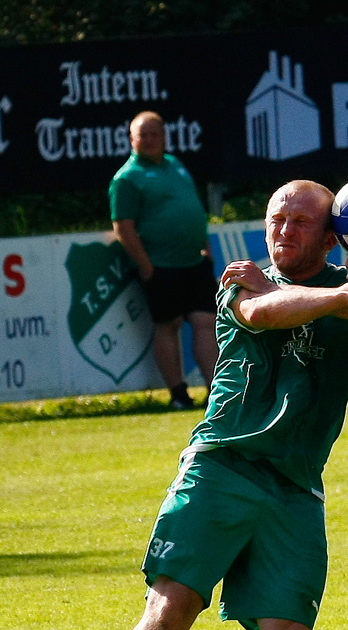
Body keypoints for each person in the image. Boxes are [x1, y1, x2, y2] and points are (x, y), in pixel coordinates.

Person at [117, 179, 348, 630]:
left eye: (301, 222)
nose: (284, 230)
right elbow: (262, 312)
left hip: (296, 492)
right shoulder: (245, 281)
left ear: (329, 237)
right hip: (222, 467)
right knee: (171, 609)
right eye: (276, 219)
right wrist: (345, 300)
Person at [109, 110, 218, 410]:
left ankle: (216, 392)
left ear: (164, 137)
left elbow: (192, 211)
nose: (149, 140)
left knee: (206, 322)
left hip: (194, 264)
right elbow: (123, 227)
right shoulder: (127, 179)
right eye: (142, 135)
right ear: (131, 139)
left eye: (154, 134)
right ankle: (178, 394)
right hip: (160, 266)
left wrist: (204, 246)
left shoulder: (175, 165)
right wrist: (147, 267)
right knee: (167, 325)